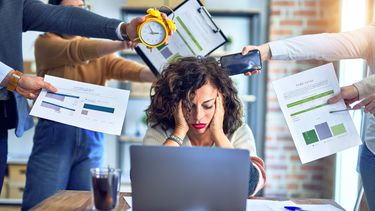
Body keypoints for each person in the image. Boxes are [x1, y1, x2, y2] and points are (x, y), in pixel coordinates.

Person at [0, 0, 166, 195]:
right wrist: (122, 41)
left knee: (87, 201)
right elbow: (78, 50)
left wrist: (160, 74)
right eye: (70, 10)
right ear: (55, 12)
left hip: (92, 133)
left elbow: (122, 68)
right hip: (55, 133)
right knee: (43, 202)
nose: (77, 14)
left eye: (82, 9)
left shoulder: (101, 50)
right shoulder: (46, 43)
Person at [242, 24, 375, 209]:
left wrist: (360, 89)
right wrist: (267, 50)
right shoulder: (371, 35)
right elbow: (324, 44)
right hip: (372, 148)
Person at [142, 56, 266, 196]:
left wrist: (218, 134)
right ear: (175, 104)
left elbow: (249, 185)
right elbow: (144, 180)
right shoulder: (161, 130)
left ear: (221, 102)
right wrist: (179, 132)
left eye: (207, 106)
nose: (198, 116)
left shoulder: (238, 131)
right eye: (189, 106)